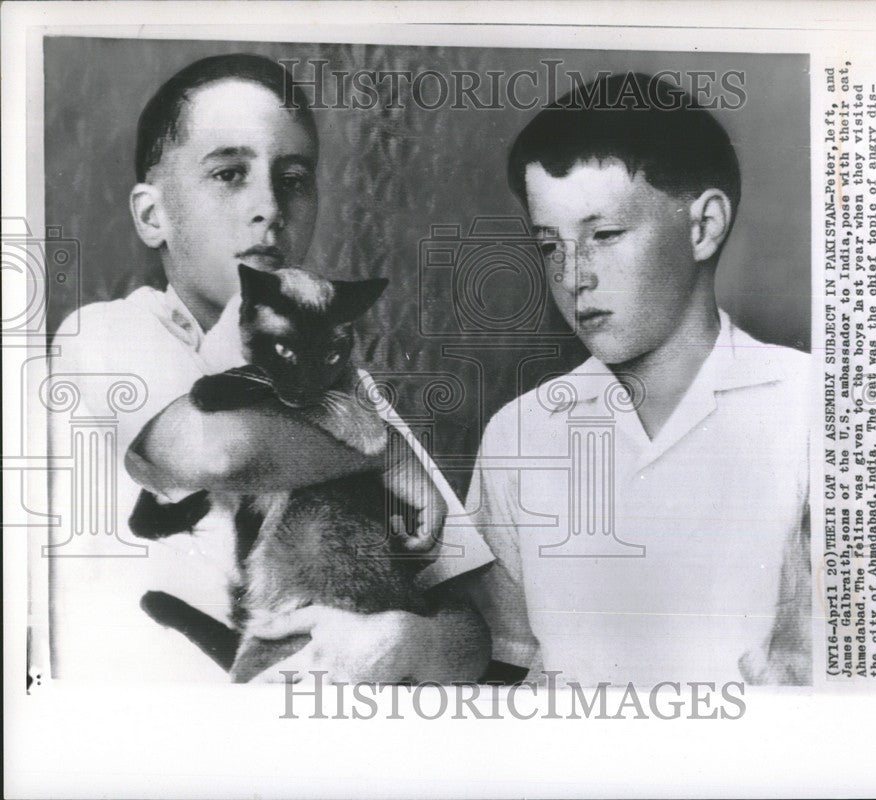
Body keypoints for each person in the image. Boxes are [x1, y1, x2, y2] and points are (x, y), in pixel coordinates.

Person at [48, 54, 494, 682]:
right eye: (229, 173)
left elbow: (473, 626)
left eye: (293, 179)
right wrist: (384, 452)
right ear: (153, 216)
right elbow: (219, 451)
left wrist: (407, 639)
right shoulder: (106, 334)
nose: (269, 208)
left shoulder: (339, 371)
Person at [459, 73, 812, 686]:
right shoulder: (520, 434)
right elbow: (503, 666)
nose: (573, 277)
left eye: (605, 235)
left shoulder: (815, 409)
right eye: (549, 245)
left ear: (702, 227)